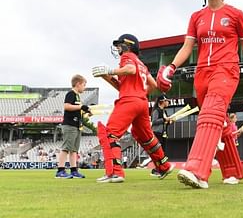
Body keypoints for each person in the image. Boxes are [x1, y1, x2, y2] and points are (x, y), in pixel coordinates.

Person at [156, 0, 243, 189]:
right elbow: (187, 47)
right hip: (202, 74)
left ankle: (198, 171)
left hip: (226, 70)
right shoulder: (196, 17)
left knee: (210, 115)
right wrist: (170, 67)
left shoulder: (235, 14)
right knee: (218, 122)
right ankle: (233, 170)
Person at [92, 34, 175, 183]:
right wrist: (106, 76)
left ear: (128, 46)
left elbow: (130, 69)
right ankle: (164, 165)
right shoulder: (142, 63)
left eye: (119, 45)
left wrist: (111, 71)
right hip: (142, 102)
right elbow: (153, 85)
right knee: (146, 137)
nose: (117, 48)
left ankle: (115, 172)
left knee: (110, 133)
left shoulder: (127, 57)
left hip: (129, 100)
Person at [55, 74, 94, 179]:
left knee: (74, 150)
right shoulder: (71, 93)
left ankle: (74, 171)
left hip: (77, 125)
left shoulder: (77, 96)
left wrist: (87, 112)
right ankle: (60, 171)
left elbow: (77, 111)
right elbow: (67, 106)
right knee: (66, 148)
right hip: (70, 125)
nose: (84, 87)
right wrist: (81, 106)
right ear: (78, 84)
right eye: (84, 85)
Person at [149, 94, 173, 176]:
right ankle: (158, 169)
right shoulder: (157, 110)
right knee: (159, 153)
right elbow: (154, 122)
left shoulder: (164, 111)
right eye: (167, 101)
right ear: (162, 101)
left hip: (163, 134)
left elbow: (164, 123)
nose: (168, 102)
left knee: (163, 153)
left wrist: (168, 122)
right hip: (157, 133)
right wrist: (164, 119)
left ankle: (161, 169)